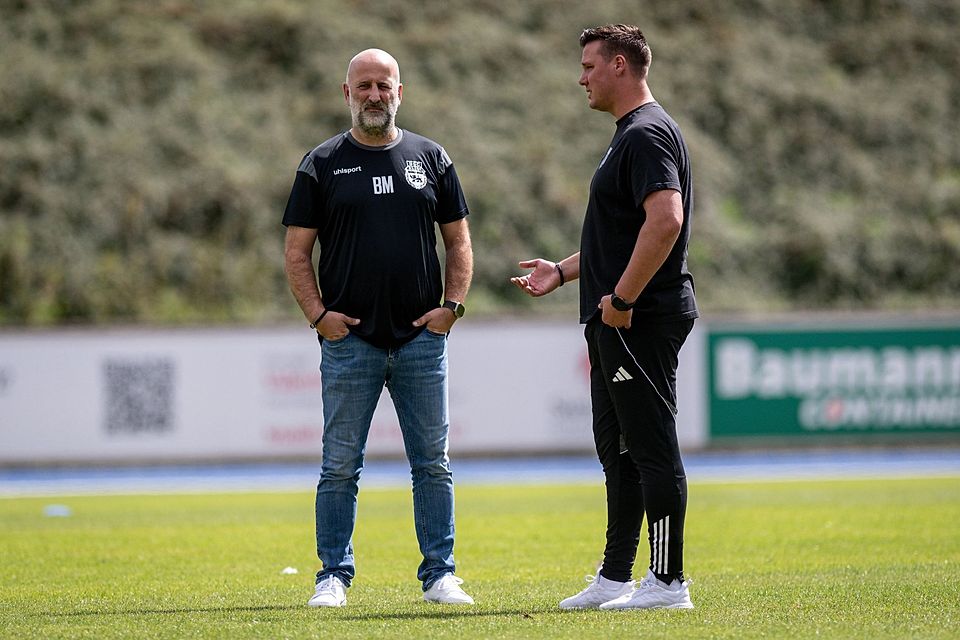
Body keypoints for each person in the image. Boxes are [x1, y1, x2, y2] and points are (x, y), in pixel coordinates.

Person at [511, 24, 698, 610]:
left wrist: (621, 301)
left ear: (621, 66)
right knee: (617, 450)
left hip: (637, 319)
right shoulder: (629, 137)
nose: (582, 77)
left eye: (590, 66)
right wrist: (565, 272)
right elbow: (621, 233)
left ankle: (668, 582)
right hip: (615, 319)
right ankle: (617, 577)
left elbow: (665, 221)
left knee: (651, 449)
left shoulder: (645, 135)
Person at [282, 48, 475, 608]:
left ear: (399, 92)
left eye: (383, 86)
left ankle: (440, 575)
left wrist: (452, 308)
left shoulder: (431, 158)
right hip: (350, 345)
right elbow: (297, 251)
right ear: (347, 93)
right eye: (363, 85)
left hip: (421, 341)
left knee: (432, 465)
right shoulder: (320, 164)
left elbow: (459, 241)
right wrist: (319, 316)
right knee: (339, 466)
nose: (373, 95)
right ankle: (332, 577)